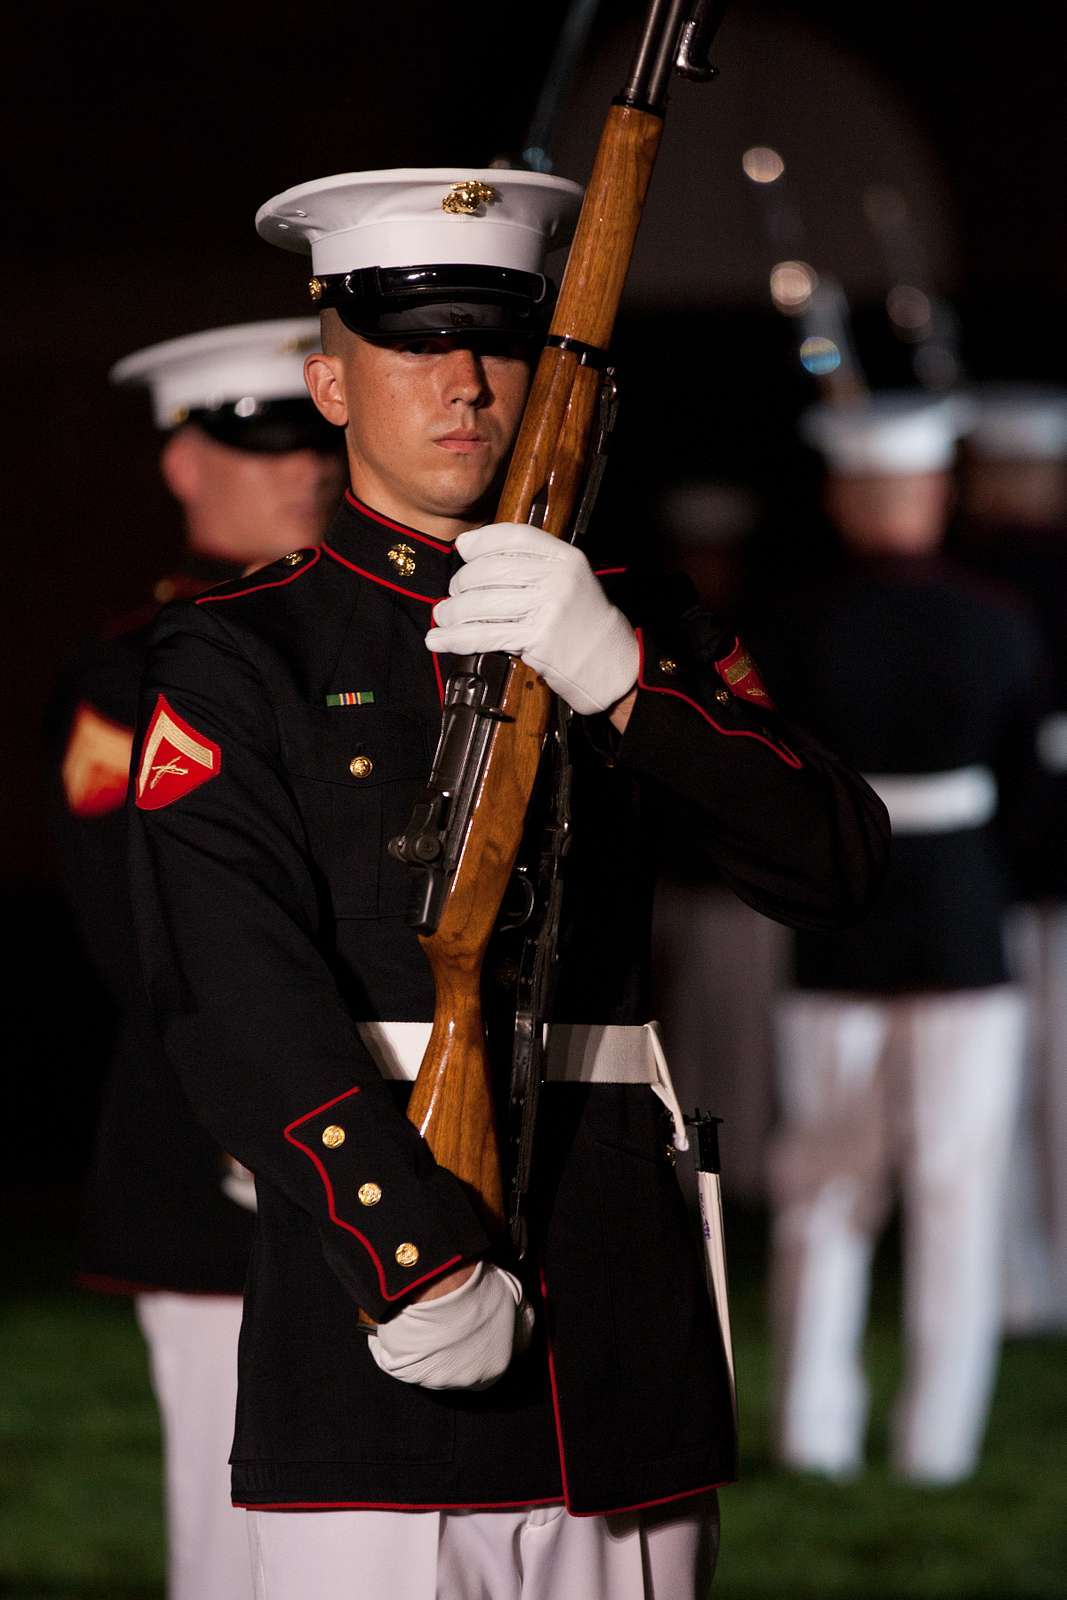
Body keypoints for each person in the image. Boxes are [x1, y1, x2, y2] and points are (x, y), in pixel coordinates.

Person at [126, 167, 888, 1599]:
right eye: (413, 343)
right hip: (379, 1329)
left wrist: (621, 680)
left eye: (496, 344)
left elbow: (834, 863)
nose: (463, 382)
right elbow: (231, 992)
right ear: (329, 384)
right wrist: (404, 1253)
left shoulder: (635, 624)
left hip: (617, 1317)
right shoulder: (246, 656)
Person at [53, 319, 345, 1600]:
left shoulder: (368, 638)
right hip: (214, 1115)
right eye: (259, 442)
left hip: (381, 1105)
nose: (304, 469)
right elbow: (132, 918)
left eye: (315, 441)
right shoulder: (138, 667)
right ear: (184, 460)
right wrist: (255, 1085)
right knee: (230, 1524)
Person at [757, 391, 1042, 1485]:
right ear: (935, 492)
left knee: (825, 1189)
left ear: (843, 498)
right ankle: (935, 1442)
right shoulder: (996, 619)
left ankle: (813, 1430)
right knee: (955, 1190)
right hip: (962, 922)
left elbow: (769, 783)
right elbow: (1026, 788)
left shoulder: (792, 625)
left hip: (840, 920)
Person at [957, 384, 1067, 1332]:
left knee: (1008, 1091)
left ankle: (1023, 1282)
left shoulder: (972, 582)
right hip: (1023, 863)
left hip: (994, 868)